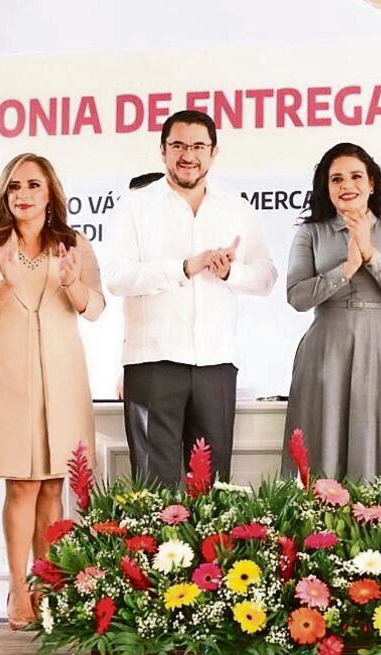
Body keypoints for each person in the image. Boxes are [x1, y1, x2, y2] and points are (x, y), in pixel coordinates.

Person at [0, 153, 105, 629]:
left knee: (52, 486)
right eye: (15, 186)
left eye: (33, 185)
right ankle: (18, 590)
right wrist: (0, 286)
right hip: (10, 379)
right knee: (21, 484)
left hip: (63, 378)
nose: (23, 194)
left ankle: (48, 584)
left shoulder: (73, 243)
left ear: (50, 194)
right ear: (6, 194)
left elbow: (96, 307)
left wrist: (71, 284)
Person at [106, 109, 277, 487]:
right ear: (162, 151)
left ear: (214, 153)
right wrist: (183, 267)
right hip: (152, 361)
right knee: (154, 489)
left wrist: (229, 272)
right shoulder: (137, 205)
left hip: (215, 363)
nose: (188, 155)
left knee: (213, 490)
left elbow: (266, 277)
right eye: (178, 145)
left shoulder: (236, 208)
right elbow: (116, 278)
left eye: (199, 146)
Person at [282, 143, 381, 481]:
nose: (347, 185)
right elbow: (297, 297)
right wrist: (345, 269)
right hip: (325, 349)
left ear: (372, 182)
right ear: (326, 187)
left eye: (356, 176)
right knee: (320, 446)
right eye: (337, 179)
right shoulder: (310, 232)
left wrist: (371, 255)